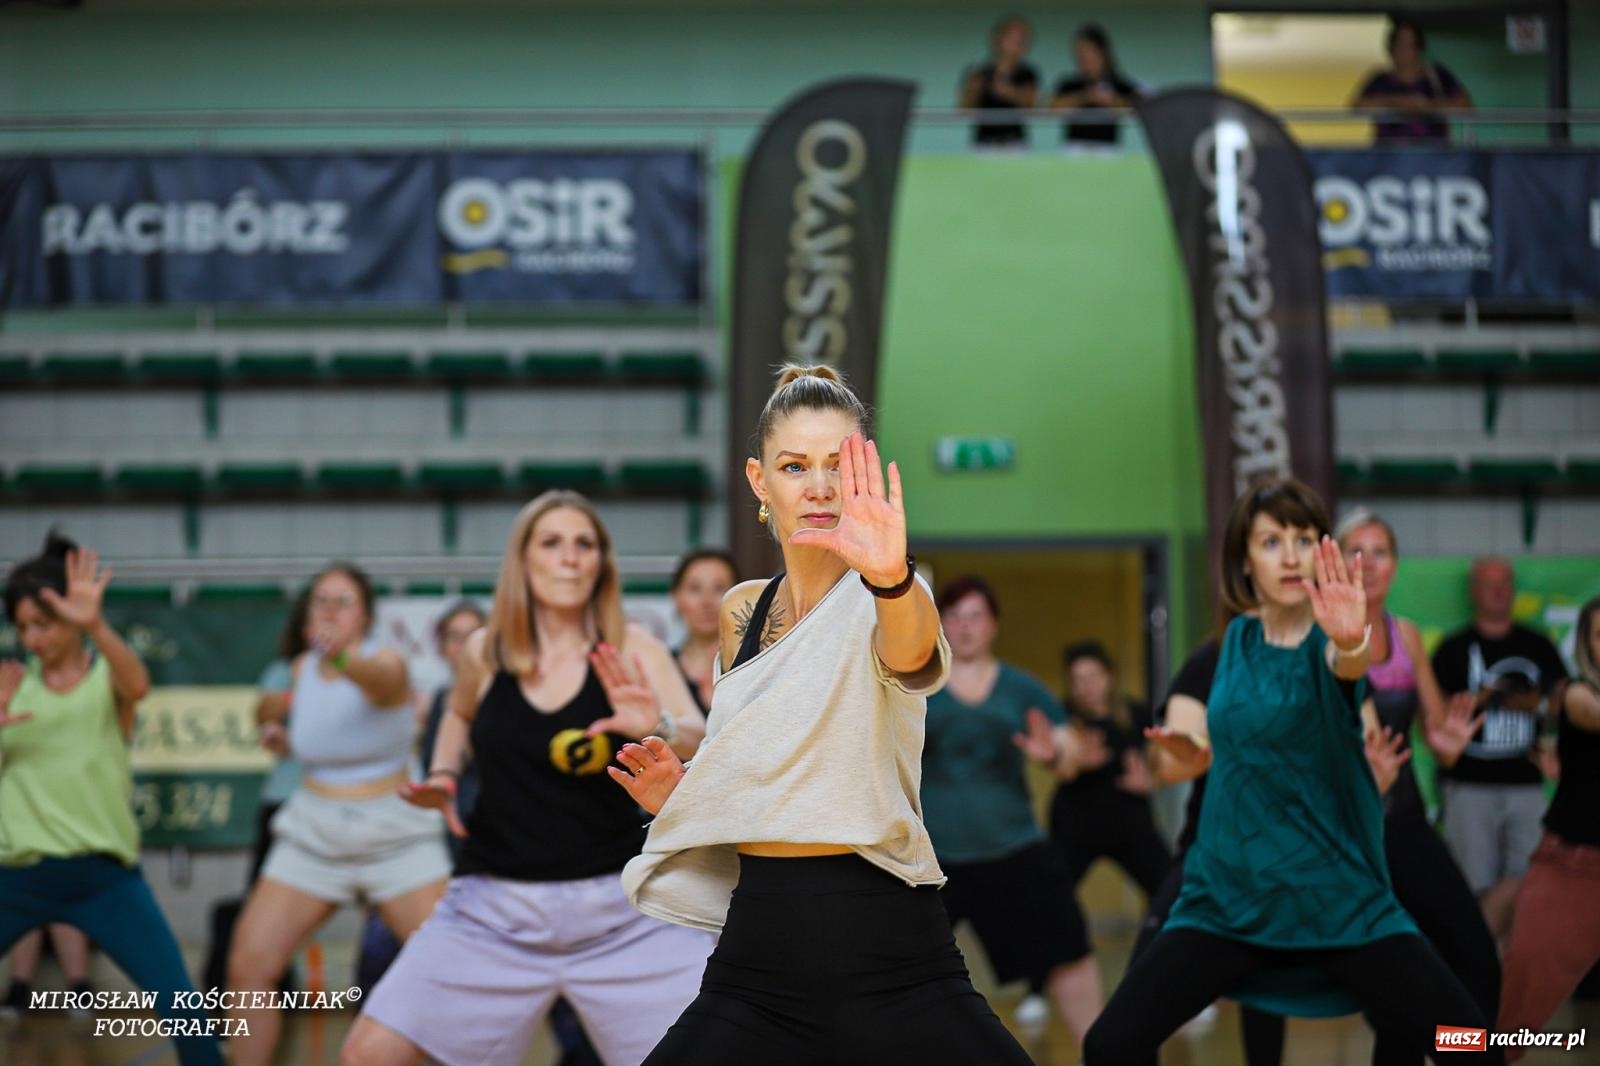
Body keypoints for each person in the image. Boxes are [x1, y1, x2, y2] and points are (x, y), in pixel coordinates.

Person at [617, 366, 1032, 1064]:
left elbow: (909, 656)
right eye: (793, 466)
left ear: (864, 476)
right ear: (759, 481)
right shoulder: (741, 612)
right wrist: (683, 799)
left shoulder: (896, 593)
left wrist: (893, 577)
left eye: (838, 465)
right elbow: (766, 772)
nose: (817, 485)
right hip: (759, 958)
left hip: (892, 950)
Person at [1084, 478, 1499, 1065]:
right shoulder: (1227, 647)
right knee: (1110, 1044)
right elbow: (1182, 738)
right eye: (1271, 541)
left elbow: (1346, 668)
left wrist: (1352, 640)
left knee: (1471, 1043)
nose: (1289, 555)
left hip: (1338, 900)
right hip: (1229, 902)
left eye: (1303, 539)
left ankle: (1553, 1039)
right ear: (1245, 560)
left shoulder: (1332, 643)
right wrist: (1184, 752)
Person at [340, 490, 711, 1066]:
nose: (569, 557)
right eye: (552, 542)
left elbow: (697, 730)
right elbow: (459, 711)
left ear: (600, 563)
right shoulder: (488, 650)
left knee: (719, 1045)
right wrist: (442, 771)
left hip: (621, 911)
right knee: (370, 1053)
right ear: (524, 560)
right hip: (492, 911)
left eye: (584, 544)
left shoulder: (631, 646)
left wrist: (655, 723)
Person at [0, 533, 222, 1066]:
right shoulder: (9, 682)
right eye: (23, 626)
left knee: (184, 1010)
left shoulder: (106, 680)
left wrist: (97, 623)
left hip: (105, 879)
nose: (32, 638)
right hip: (16, 877)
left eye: (43, 624)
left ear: (71, 618)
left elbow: (139, 686)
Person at [226, 562, 450, 1066]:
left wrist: (343, 657)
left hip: (395, 833)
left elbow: (381, 685)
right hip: (313, 829)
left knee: (447, 974)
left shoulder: (385, 660)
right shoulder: (302, 669)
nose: (329, 609)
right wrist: (278, 731)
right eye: (320, 600)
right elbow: (285, 716)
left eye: (343, 601)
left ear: (365, 615)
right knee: (248, 968)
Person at [1337, 509, 1502, 1062]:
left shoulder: (1404, 634)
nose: (1368, 564)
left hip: (1404, 824)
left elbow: (1436, 730)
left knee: (1474, 952)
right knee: (1396, 977)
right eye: (1355, 551)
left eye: (1380, 551)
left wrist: (1449, 745)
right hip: (1347, 833)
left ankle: (1465, 1055)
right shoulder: (1323, 637)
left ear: (1396, 563)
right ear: (1337, 563)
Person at [922, 575, 1102, 1051]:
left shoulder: (1022, 688)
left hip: (1014, 849)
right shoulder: (917, 685)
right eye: (955, 616)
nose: (965, 626)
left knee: (1070, 950)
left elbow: (1067, 755)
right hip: (933, 861)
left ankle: (1101, 1051)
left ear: (993, 625)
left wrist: (1052, 754)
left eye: (976, 615)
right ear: (940, 623)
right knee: (900, 966)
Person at [1431, 556, 1568, 942]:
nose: (1498, 590)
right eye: (1489, 583)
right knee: (1472, 883)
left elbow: (1563, 703)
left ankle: (1480, 967)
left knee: (1530, 876)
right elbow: (1434, 717)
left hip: (1526, 782)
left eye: (1505, 582)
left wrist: (1527, 702)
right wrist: (1479, 700)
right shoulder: (1453, 649)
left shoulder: (1537, 644)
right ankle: (1479, 972)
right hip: (1469, 785)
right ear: (1473, 591)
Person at [1496, 595, 1600, 1060]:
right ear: (1587, 645)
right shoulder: (1578, 693)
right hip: (1571, 868)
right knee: (1513, 1021)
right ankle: (1446, 1040)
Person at [1051, 640, 1170, 905]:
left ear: (1109, 676)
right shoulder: (1064, 717)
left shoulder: (1135, 714)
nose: (1087, 687)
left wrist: (1151, 781)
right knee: (1051, 897)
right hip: (1075, 824)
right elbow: (1056, 763)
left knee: (1170, 890)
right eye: (1078, 680)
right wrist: (1076, 761)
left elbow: (1160, 763)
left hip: (1130, 821)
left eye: (1093, 677)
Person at [1351, 18, 1473, 145]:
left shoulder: (1438, 76)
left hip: (1434, 157)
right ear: (1391, 48)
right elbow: (1357, 107)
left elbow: (1465, 105)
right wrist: (1395, 103)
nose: (1404, 51)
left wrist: (1428, 106)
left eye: (1410, 45)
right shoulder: (1380, 80)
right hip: (1390, 158)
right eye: (1400, 45)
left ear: (1419, 48)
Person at [668, 549, 738, 714]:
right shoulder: (660, 667)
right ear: (676, 597)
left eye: (719, 588)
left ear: (739, 596)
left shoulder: (752, 669)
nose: (706, 601)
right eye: (694, 588)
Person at [1050, 23, 1143, 146]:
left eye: (1088, 51)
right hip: (1074, 148)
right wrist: (1085, 97)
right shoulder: (1069, 84)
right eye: (1079, 52)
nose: (1083, 58)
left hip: (1107, 149)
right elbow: (1052, 109)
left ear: (1102, 52)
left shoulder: (1118, 82)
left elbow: (1137, 107)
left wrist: (1111, 101)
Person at [959, 14, 1039, 148]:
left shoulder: (1027, 73)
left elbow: (1032, 106)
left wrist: (1010, 93)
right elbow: (964, 110)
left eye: (1023, 39)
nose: (1018, 43)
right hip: (984, 143)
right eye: (1013, 38)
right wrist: (972, 91)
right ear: (997, 39)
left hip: (1016, 143)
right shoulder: (979, 72)